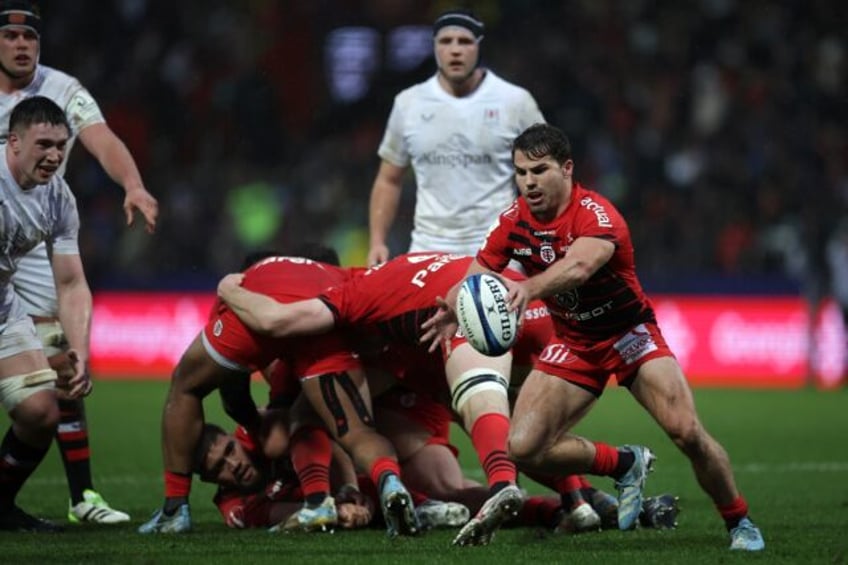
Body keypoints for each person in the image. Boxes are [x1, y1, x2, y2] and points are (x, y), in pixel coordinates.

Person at [422, 123, 765, 551]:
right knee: (523, 447)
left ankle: (740, 522)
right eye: (521, 172)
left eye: (539, 170)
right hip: (575, 342)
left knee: (686, 431)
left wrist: (528, 287)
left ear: (567, 169)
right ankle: (625, 463)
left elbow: (580, 267)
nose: (528, 182)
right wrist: (455, 307)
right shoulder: (513, 221)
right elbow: (477, 275)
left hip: (629, 335)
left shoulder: (597, 216)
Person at [218, 253, 525, 546]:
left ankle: (334, 498)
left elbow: (274, 319)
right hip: (470, 317)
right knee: (489, 436)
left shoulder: (344, 299)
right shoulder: (380, 276)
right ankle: (560, 500)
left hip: (425, 355)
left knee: (320, 419)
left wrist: (227, 290)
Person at [0, 0, 158, 524]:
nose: (22, 45)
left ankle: (82, 495)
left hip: (30, 239)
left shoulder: (62, 90)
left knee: (61, 358)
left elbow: (103, 140)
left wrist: (132, 184)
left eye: (31, 37)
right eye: (11, 36)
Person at [139, 255, 419, 537]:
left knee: (186, 386)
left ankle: (175, 508)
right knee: (352, 430)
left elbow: (235, 392)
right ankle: (390, 483)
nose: (234, 464)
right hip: (325, 319)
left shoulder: (247, 284)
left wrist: (254, 421)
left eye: (228, 453)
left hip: (262, 316)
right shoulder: (349, 276)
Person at [366, 8, 544, 266]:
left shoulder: (515, 102)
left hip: (499, 250)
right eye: (446, 41)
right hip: (427, 250)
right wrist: (377, 242)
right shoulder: (408, 103)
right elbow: (389, 180)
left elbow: (548, 171)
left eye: (464, 41)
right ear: (435, 47)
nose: (455, 50)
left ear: (479, 46)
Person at [0, 95, 92, 532]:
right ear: (13, 142)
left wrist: (78, 350)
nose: (55, 155)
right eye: (44, 144)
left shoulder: (58, 197)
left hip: (3, 307)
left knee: (41, 412)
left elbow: (71, 283)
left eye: (61, 144)